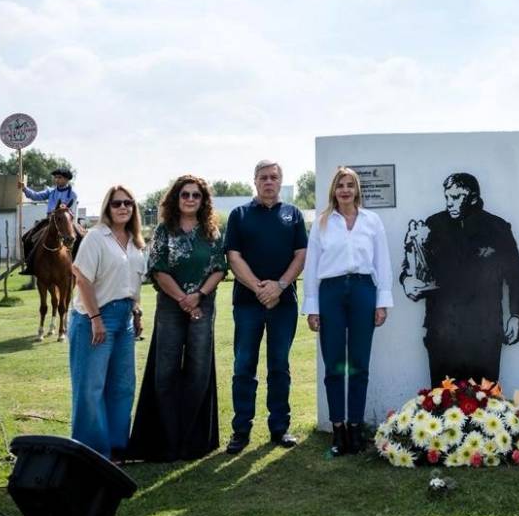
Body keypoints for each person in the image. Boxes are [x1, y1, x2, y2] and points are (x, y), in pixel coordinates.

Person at [127, 175, 226, 462]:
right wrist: (184, 299)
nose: (191, 199)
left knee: (199, 371)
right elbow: (157, 269)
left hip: (202, 306)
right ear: (176, 198)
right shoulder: (164, 230)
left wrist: (198, 296)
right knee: (165, 373)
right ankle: (168, 441)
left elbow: (220, 268)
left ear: (203, 200)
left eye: (196, 195)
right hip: (171, 307)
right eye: (185, 194)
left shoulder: (211, 231)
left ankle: (191, 441)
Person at [401, 172, 519, 385]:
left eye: (456, 197)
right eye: (447, 197)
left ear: (473, 198)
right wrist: (407, 281)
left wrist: (516, 315)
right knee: (442, 397)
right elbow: (414, 267)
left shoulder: (497, 228)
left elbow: (516, 275)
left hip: (484, 328)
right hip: (442, 327)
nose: (449, 203)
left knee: (484, 397)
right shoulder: (433, 225)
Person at [304, 167, 393, 456]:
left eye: (350, 185)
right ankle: (338, 429)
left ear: (357, 190)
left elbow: (382, 263)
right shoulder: (322, 223)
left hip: (363, 290)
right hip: (330, 292)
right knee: (333, 364)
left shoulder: (372, 221)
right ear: (333, 190)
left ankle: (355, 428)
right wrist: (312, 307)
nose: (345, 190)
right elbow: (311, 267)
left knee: (358, 363)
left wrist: (382, 302)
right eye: (340, 185)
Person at [223, 159, 307, 455]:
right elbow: (233, 256)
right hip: (248, 303)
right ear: (255, 181)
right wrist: (259, 288)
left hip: (283, 303)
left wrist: (279, 286)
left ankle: (279, 427)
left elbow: (301, 254)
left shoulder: (293, 214)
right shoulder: (239, 214)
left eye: (273, 177)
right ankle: (241, 429)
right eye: (263, 177)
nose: (268, 181)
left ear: (280, 181)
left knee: (279, 366)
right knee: (244, 366)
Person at [69, 185, 146, 460]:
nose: (123, 207)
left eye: (128, 203)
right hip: (95, 318)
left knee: (123, 386)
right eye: (117, 203)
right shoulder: (96, 237)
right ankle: (92, 452)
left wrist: (136, 312)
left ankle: (116, 448)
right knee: (91, 387)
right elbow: (82, 279)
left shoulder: (136, 242)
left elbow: (132, 282)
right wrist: (95, 319)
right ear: (107, 207)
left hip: (125, 318)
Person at [19, 167, 83, 275]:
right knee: (27, 238)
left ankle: (79, 266)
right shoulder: (51, 191)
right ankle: (30, 266)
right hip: (50, 220)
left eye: (59, 177)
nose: (56, 180)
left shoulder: (73, 194)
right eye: (55, 177)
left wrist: (63, 210)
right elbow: (36, 196)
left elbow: (71, 211)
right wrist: (24, 188)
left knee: (81, 238)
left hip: (67, 222)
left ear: (67, 179)